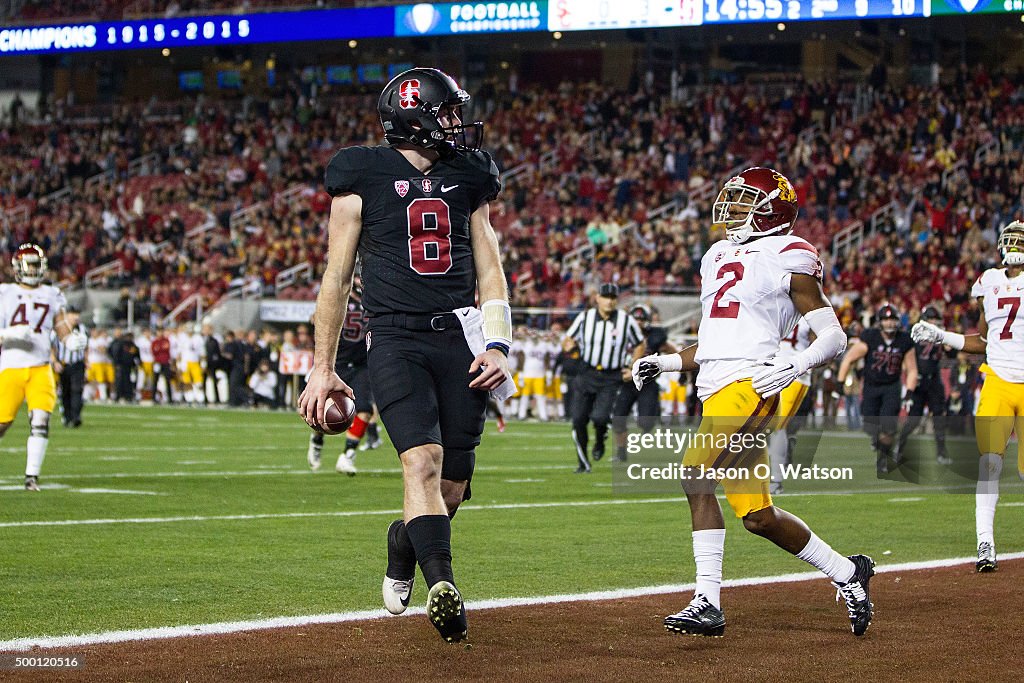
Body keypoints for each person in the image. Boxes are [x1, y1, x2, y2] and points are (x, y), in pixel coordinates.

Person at [298, 67, 511, 644]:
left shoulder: (470, 174)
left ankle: (403, 540)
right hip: (393, 337)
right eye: (446, 114)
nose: (456, 124)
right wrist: (323, 367)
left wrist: (498, 343)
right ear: (416, 120)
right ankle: (444, 587)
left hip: (460, 338)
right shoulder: (360, 175)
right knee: (421, 462)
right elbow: (337, 277)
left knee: (452, 490)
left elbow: (490, 270)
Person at [633, 167, 874, 638]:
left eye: (746, 202)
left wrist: (798, 362)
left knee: (695, 474)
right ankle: (849, 573)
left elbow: (834, 335)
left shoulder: (790, 253)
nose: (734, 210)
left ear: (773, 210)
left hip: (756, 383)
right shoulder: (717, 254)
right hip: (718, 385)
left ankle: (707, 601)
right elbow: (714, 340)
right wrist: (666, 363)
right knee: (759, 518)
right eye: (735, 201)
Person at [912, 220, 1024, 573]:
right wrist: (940, 335)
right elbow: (983, 341)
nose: (1013, 245)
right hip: (998, 381)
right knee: (989, 465)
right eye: (1010, 238)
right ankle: (985, 541)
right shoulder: (989, 281)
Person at [0, 245, 88, 490]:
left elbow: (60, 325)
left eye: (36, 264)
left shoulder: (52, 294)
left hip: (40, 366)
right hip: (11, 366)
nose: (33, 269)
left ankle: (31, 477)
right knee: (2, 423)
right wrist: (8, 333)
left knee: (41, 419)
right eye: (29, 264)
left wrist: (70, 339)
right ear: (17, 267)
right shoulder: (4, 293)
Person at [563, 282, 643, 472]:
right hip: (587, 372)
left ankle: (600, 439)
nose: (609, 301)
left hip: (611, 376)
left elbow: (640, 343)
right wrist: (568, 346)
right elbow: (568, 339)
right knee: (578, 419)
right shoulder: (585, 317)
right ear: (597, 298)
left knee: (600, 417)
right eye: (606, 297)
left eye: (613, 298)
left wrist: (632, 366)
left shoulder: (626, 320)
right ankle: (583, 463)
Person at [837, 303, 918, 475]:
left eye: (893, 319)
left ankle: (883, 459)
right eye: (886, 319)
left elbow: (912, 369)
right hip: (871, 386)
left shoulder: (904, 340)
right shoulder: (870, 337)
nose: (889, 323)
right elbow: (849, 359)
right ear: (880, 322)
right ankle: (877, 441)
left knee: (888, 427)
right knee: (869, 424)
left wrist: (909, 392)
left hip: (891, 386)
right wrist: (840, 382)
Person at [306, 288, 377, 475]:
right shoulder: (339, 297)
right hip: (337, 362)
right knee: (323, 408)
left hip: (362, 364)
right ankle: (317, 439)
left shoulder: (375, 299)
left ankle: (348, 455)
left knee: (365, 410)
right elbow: (316, 319)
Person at [612, 303, 674, 462]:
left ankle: (653, 416)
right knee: (618, 418)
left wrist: (681, 363)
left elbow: (670, 350)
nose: (638, 322)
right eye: (636, 318)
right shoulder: (621, 335)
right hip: (626, 382)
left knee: (645, 422)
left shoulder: (655, 336)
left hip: (647, 382)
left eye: (641, 318)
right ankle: (621, 452)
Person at [898, 305, 951, 465]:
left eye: (936, 320)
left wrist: (945, 339)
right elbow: (906, 356)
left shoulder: (939, 335)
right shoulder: (915, 334)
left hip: (934, 380)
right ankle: (899, 448)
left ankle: (941, 453)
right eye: (931, 319)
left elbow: (951, 351)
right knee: (913, 420)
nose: (934, 322)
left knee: (939, 420)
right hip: (919, 381)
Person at [768, 316, 813, 494]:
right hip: (770, 370)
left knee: (777, 426)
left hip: (795, 375)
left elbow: (824, 340)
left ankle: (776, 480)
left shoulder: (810, 311)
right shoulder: (773, 305)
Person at [53, 305, 87, 427]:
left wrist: (87, 361)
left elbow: (85, 347)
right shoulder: (59, 328)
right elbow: (52, 346)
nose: (76, 317)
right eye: (73, 314)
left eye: (77, 314)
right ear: (67, 315)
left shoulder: (82, 328)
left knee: (77, 390)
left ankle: (76, 416)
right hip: (63, 364)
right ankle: (67, 417)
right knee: (65, 391)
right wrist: (55, 362)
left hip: (78, 364)